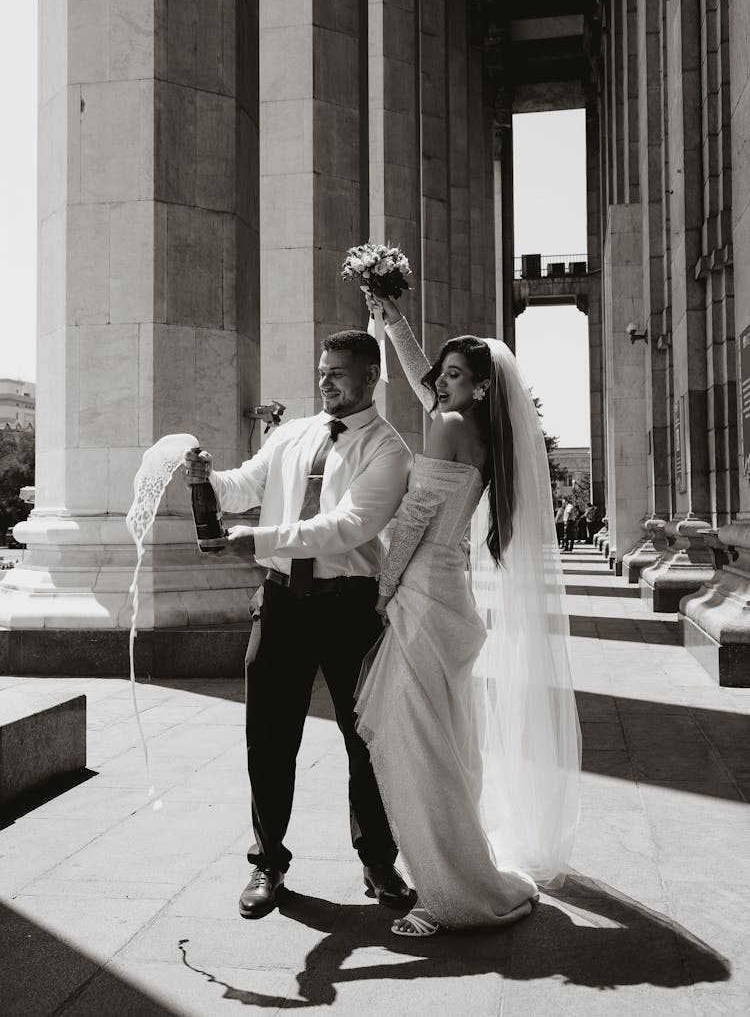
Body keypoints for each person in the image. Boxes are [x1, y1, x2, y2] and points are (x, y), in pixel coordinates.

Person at [355, 294, 581, 938]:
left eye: (457, 376)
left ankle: (452, 893)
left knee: (418, 744)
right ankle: (451, 869)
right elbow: (425, 375)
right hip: (447, 593)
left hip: (424, 593)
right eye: (445, 373)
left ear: (483, 387)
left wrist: (382, 586)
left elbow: (417, 519)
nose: (443, 382)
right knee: (438, 739)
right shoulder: (476, 429)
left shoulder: (450, 426)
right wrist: (389, 315)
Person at [184, 331, 412, 920]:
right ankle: (268, 861)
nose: (326, 381)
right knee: (268, 735)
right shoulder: (291, 434)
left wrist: (257, 540)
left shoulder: (389, 451)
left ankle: (378, 860)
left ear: (370, 378)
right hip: (281, 603)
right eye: (322, 370)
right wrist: (206, 475)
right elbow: (245, 485)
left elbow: (348, 525)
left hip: (350, 608)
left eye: (339, 371)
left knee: (365, 740)